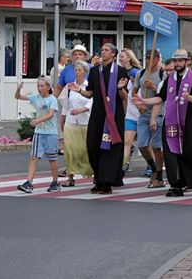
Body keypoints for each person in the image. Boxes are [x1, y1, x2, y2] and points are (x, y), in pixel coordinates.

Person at [134, 49, 192, 197]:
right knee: (171, 153)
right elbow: (160, 98)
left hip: (191, 121)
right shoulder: (170, 79)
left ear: (187, 62)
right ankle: (176, 185)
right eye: (176, 61)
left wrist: (188, 97)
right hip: (172, 121)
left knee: (191, 152)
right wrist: (144, 100)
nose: (178, 64)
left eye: (180, 61)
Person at [81, 43, 129, 194]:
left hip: (114, 115)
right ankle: (99, 178)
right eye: (102, 50)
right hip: (98, 114)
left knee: (110, 147)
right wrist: (79, 90)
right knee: (93, 145)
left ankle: (106, 182)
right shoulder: (95, 71)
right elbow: (90, 93)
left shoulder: (120, 71)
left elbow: (124, 97)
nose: (103, 52)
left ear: (113, 54)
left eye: (106, 50)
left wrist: (120, 88)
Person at [15, 76, 61, 193]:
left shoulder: (52, 99)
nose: (39, 88)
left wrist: (37, 121)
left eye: (42, 86)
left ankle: (55, 182)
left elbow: (51, 114)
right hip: (39, 133)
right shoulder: (35, 98)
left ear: (48, 87)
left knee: (52, 159)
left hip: (51, 133)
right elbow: (18, 97)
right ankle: (29, 183)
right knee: (34, 157)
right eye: (38, 86)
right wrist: (18, 89)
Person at [134, 49, 166, 187]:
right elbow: (134, 91)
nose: (148, 61)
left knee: (157, 146)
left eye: (151, 58)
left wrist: (152, 86)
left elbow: (164, 93)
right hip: (144, 113)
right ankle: (153, 167)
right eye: (146, 58)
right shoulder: (141, 73)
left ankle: (159, 175)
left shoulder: (162, 73)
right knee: (141, 144)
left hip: (158, 112)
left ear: (158, 59)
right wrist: (138, 105)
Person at [61, 61, 93, 187]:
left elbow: (91, 102)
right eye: (75, 70)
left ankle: (93, 173)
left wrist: (81, 110)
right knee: (70, 151)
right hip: (71, 122)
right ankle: (70, 177)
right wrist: (63, 118)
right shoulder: (70, 86)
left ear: (85, 72)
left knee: (86, 150)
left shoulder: (89, 86)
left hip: (85, 122)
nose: (77, 72)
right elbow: (67, 104)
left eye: (79, 70)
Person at [119, 48, 142, 172]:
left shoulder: (135, 72)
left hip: (140, 112)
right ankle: (125, 163)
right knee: (127, 140)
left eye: (122, 56)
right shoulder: (121, 72)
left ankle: (152, 166)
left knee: (145, 143)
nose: (120, 59)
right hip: (129, 113)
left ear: (129, 58)